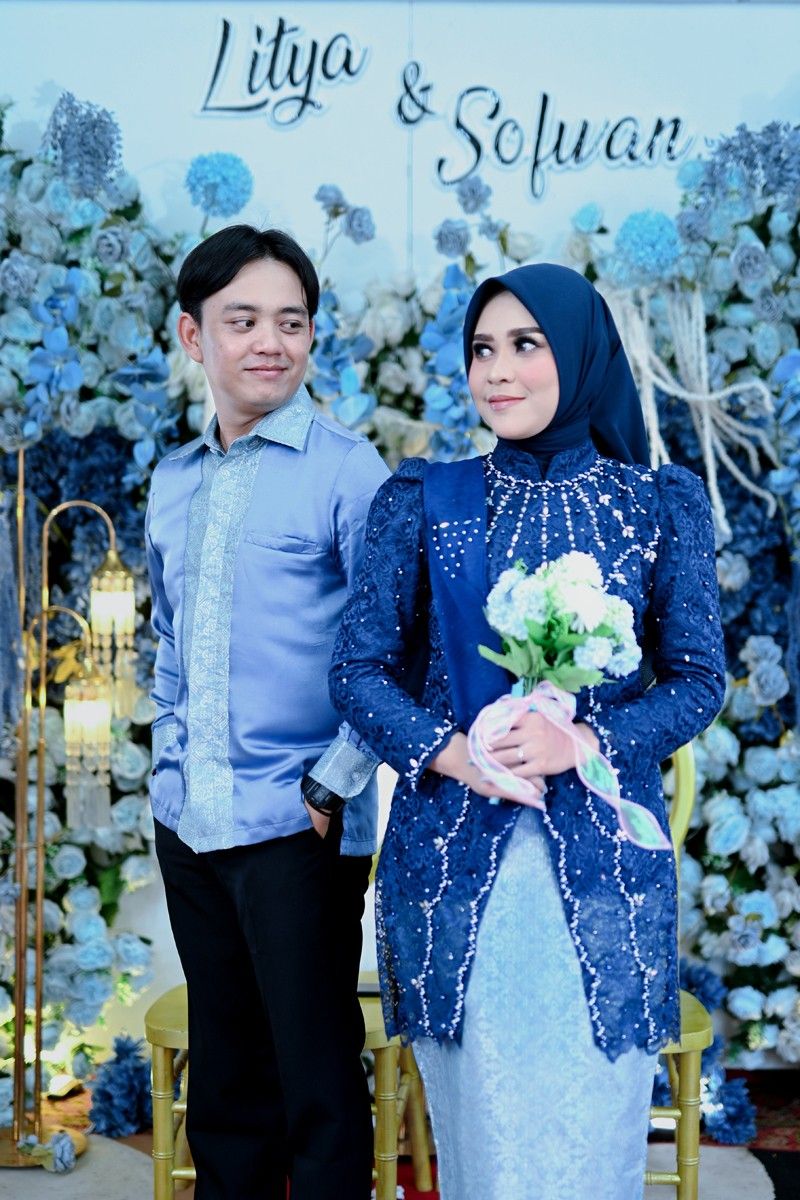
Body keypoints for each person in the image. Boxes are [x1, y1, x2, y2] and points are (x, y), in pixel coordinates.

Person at [330, 263, 726, 1199]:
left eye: (525, 345)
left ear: (580, 355)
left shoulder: (655, 505)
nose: (496, 371)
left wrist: (582, 742)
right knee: (491, 1145)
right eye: (482, 349)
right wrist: (456, 754)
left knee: (590, 1142)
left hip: (603, 878)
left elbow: (698, 681)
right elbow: (357, 672)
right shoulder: (424, 500)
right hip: (457, 875)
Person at [145, 224, 389, 1200]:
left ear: (311, 336)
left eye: (291, 322)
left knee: (316, 1086)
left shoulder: (348, 471)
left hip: (299, 823)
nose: (269, 343)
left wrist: (328, 787)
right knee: (226, 1089)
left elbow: (395, 648)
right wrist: (164, 771)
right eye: (242, 320)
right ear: (192, 335)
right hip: (190, 820)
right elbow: (167, 642)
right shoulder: (172, 480)